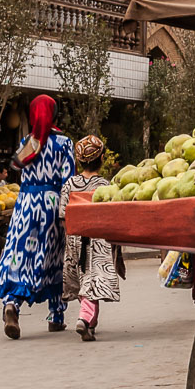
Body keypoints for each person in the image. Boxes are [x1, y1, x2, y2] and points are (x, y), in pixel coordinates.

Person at [0, 95, 74, 339]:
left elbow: (17, 169)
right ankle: (56, 315)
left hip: (25, 206)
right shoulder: (64, 143)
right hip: (52, 206)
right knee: (52, 256)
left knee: (20, 255)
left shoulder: (27, 142)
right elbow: (69, 180)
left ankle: (11, 304)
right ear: (54, 115)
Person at [60, 136, 123, 342]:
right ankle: (85, 318)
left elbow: (63, 215)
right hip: (98, 239)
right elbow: (113, 216)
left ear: (78, 161)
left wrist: (70, 238)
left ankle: (90, 321)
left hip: (75, 238)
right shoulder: (105, 185)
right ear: (102, 158)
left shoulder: (70, 183)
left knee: (83, 280)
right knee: (93, 280)